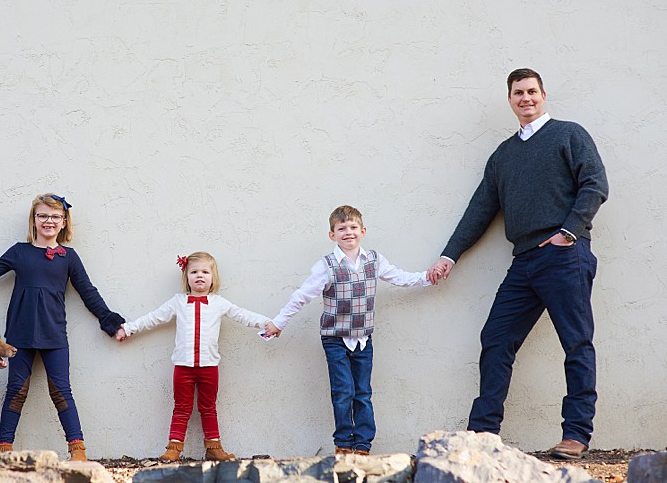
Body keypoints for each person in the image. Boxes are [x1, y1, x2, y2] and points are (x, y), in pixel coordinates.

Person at [427, 68, 608, 460]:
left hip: (564, 255)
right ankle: (483, 433)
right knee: (496, 339)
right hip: (523, 261)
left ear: (543, 95)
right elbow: (480, 210)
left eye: (531, 91)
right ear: (509, 101)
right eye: (517, 93)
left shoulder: (568, 134)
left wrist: (569, 233)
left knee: (576, 342)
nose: (525, 98)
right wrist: (448, 255)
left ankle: (576, 434)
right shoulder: (504, 155)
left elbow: (595, 183)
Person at [0, 193, 124, 461]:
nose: (48, 221)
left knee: (62, 392)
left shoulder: (69, 257)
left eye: (55, 217)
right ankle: (4, 450)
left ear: (64, 222)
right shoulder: (20, 252)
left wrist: (110, 322)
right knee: (16, 392)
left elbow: (88, 292)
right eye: (43, 216)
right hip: (20, 335)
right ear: (34, 220)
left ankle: (78, 451)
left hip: (54, 335)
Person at [264, 205, 437, 456]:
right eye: (341, 228)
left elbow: (400, 277)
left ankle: (363, 445)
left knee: (363, 393)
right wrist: (279, 322)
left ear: (363, 231)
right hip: (335, 339)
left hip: (364, 339)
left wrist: (427, 277)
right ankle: (344, 443)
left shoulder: (374, 261)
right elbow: (302, 296)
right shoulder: (326, 266)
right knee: (343, 391)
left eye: (353, 227)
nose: (348, 232)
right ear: (332, 235)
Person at [117, 251, 270, 462]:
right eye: (194, 272)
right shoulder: (178, 302)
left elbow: (242, 314)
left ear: (213, 277)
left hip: (209, 367)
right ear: (186, 277)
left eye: (205, 272)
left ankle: (214, 447)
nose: (200, 276)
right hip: (183, 367)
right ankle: (174, 447)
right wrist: (129, 328)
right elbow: (153, 317)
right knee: (181, 407)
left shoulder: (219, 303)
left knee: (208, 407)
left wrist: (267, 324)